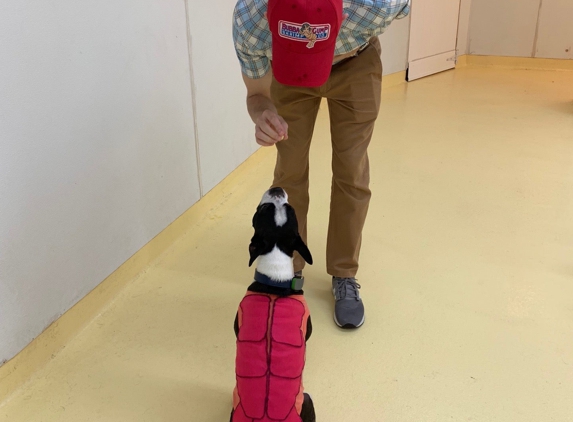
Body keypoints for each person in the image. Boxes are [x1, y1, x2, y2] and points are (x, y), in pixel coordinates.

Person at [232, 0, 410, 329]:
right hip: (288, 72)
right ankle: (289, 266)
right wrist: (262, 115)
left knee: (351, 170)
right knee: (289, 171)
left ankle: (344, 273)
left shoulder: (377, 4)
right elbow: (256, 94)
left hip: (356, 61)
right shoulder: (251, 20)